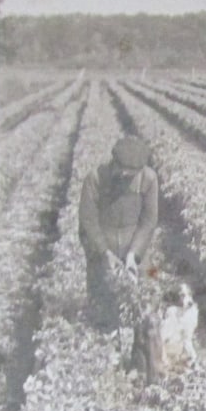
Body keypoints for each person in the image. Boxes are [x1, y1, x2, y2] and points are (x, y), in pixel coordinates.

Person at [78, 136, 159, 330]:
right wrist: (104, 252)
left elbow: (149, 221)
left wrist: (134, 254)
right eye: (123, 173)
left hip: (136, 244)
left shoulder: (149, 179)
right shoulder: (95, 178)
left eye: (132, 174)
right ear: (115, 164)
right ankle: (104, 337)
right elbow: (88, 220)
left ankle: (145, 337)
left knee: (151, 280)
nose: (126, 178)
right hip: (103, 244)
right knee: (101, 300)